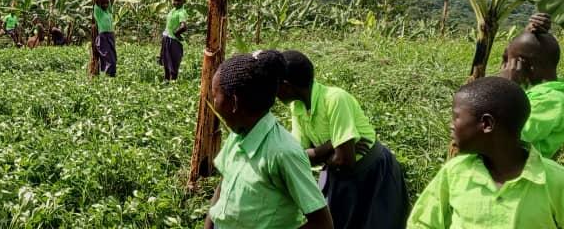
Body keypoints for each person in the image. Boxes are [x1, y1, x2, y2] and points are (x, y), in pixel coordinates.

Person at [408, 76, 564, 228]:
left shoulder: (555, 181)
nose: (451, 125)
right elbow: (422, 224)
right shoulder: (455, 172)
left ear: (487, 124)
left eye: (456, 117)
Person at [277, 50, 409, 229]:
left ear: (286, 85)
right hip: (339, 176)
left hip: (372, 173)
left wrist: (321, 153)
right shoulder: (297, 107)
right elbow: (300, 156)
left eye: (275, 85)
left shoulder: (334, 99)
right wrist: (333, 144)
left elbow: (345, 160)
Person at [204, 50, 334, 229]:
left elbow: (322, 224)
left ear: (233, 103)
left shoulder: (283, 152)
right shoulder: (237, 135)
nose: (213, 100)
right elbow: (224, 184)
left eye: (215, 94)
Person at [500, 12, 563, 158]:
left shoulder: (550, 101)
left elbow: (502, 135)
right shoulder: (535, 89)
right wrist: (527, 34)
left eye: (509, 62)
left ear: (528, 66)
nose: (505, 68)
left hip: (523, 175)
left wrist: (506, 87)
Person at [158, 0, 188, 81]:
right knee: (166, 61)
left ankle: (173, 81)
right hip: (167, 38)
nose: (176, 2)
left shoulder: (182, 12)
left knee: (174, 62)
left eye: (179, 0)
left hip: (174, 41)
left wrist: (176, 33)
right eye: (175, 0)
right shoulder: (173, 10)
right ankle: (166, 81)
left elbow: (184, 26)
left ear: (184, 1)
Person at [92, 0, 117, 77]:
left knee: (113, 58)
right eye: (103, 3)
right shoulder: (98, 11)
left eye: (107, 3)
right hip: (103, 37)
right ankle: (109, 76)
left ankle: (111, 75)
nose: (106, 5)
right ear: (100, 4)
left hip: (110, 36)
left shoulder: (108, 11)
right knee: (108, 58)